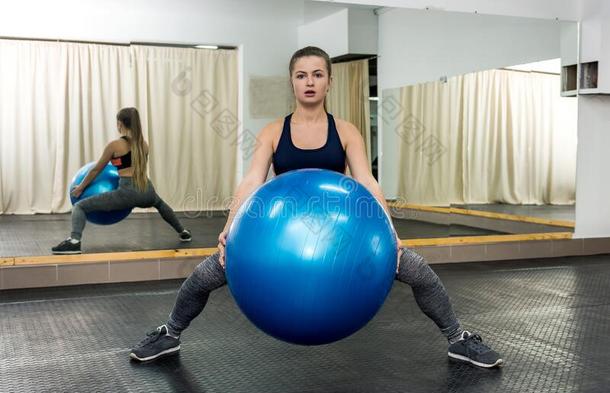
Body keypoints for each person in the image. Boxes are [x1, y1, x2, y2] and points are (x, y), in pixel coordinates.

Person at [130, 47, 503, 368]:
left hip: (341, 238)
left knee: (418, 270)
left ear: (329, 82)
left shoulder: (346, 131)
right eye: (301, 75)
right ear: (292, 82)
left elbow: (367, 181)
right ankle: (171, 333)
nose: (309, 81)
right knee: (205, 275)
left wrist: (390, 232)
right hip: (280, 237)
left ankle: (459, 339)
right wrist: (229, 230)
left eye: (318, 74)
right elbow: (251, 182)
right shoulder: (274, 131)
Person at [52, 107, 192, 254]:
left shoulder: (115, 145)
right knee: (160, 204)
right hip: (147, 189)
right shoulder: (144, 144)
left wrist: (81, 187)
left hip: (127, 192)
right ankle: (183, 231)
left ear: (120, 123)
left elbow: (96, 169)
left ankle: (74, 241)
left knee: (79, 207)